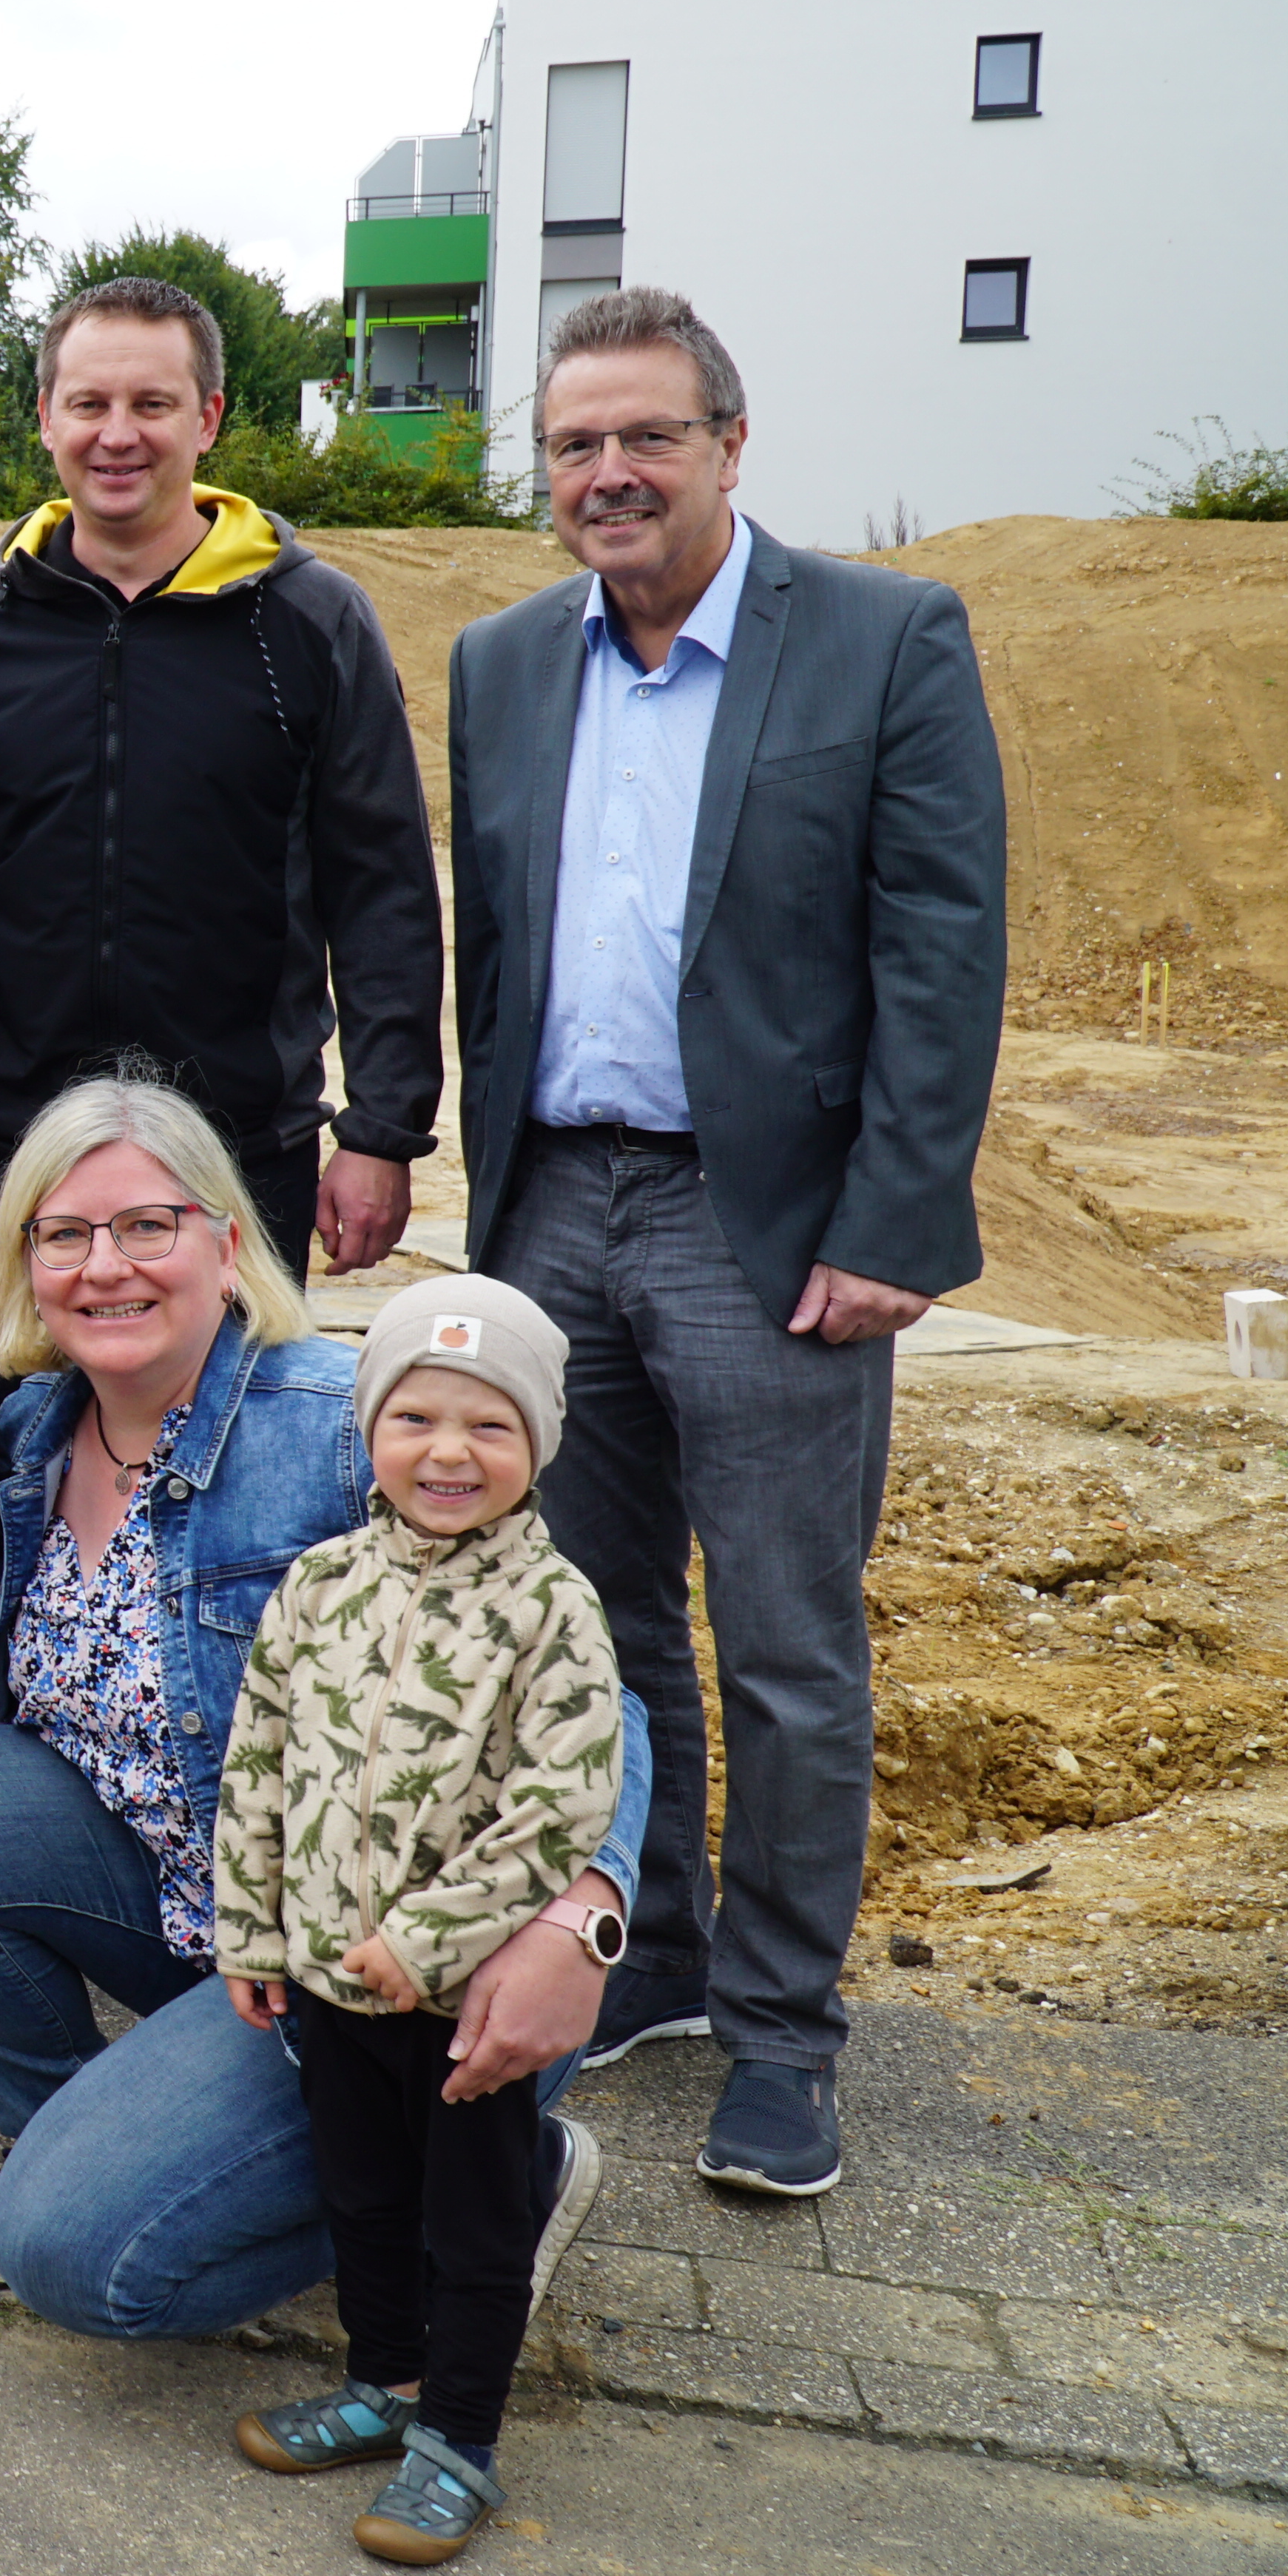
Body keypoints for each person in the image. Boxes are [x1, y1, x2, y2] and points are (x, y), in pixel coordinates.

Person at [450, 288, 1007, 2199]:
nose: (609, 472)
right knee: (596, 1628)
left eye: (648, 437)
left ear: (730, 445)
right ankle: (659, 1953)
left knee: (783, 1645)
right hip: (555, 1209)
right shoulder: (504, 663)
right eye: (575, 444)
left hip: (762, 1226)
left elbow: (944, 947)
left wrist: (895, 1219)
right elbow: (496, 949)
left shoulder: (880, 639)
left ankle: (783, 2039)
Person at [0, 1076, 652, 2332]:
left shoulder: (339, 1429)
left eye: (146, 1226)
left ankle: (486, 2183)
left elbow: (600, 1703)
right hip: (198, 1911)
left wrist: (579, 1923)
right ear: (26, 1263)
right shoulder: (35, 1430)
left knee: (69, 2260)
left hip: (377, 1959)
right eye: (64, 1234)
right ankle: (81, 2137)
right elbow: (20, 1667)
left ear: (224, 1242)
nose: (106, 1266)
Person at [0, 276, 441, 1288]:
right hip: (4, 1156)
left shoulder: (312, 624)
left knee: (228, 1401)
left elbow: (384, 891)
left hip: (237, 1153)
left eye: (152, 403)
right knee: (0, 1403)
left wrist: (382, 1131)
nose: (118, 435)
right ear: (46, 417)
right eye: (89, 404)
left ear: (209, 418)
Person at [219, 1275, 625, 2568]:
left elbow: (561, 1808)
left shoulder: (554, 1610)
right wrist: (253, 1932)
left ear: (539, 1442)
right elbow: (260, 1760)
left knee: (474, 2225)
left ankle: (459, 2441)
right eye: (416, 1420)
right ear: (372, 1432)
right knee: (363, 2197)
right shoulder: (320, 1583)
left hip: (458, 2007)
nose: (450, 1453)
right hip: (328, 1982)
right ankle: (384, 2383)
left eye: (490, 1426)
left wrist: (429, 1941)